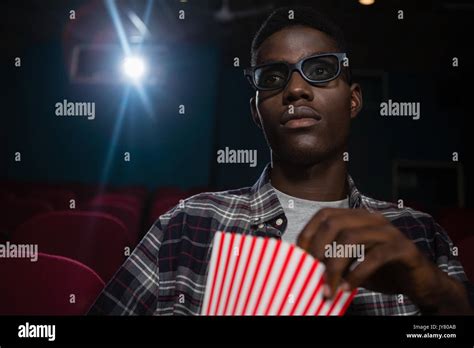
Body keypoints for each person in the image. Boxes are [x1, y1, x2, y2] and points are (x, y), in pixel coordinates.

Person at [88, 6, 474, 315]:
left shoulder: (419, 234)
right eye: (273, 77)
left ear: (354, 99)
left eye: (320, 70)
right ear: (256, 111)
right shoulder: (187, 225)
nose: (296, 89)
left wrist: (439, 296)